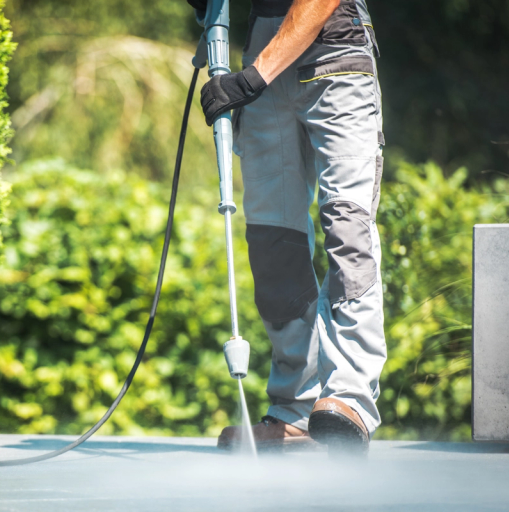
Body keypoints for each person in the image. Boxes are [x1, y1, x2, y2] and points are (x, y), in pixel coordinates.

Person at [190, 0, 386, 452]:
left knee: (347, 231)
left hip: (334, 49)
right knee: (273, 240)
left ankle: (349, 398)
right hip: (262, 48)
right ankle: (296, 409)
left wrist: (252, 78)